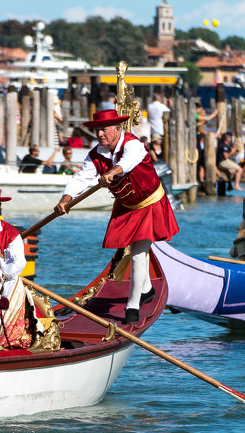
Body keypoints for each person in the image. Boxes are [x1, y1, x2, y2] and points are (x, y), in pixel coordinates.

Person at [53, 108, 179, 324]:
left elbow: (128, 162)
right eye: (97, 130)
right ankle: (147, 289)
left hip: (148, 203)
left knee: (139, 252)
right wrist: (65, 199)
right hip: (126, 206)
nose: (100, 134)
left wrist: (112, 172)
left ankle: (132, 307)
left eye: (103, 129)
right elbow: (81, 178)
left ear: (117, 129)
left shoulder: (133, 144)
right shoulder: (95, 155)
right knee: (134, 251)